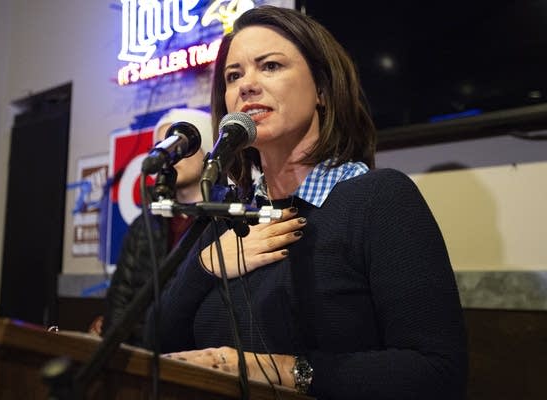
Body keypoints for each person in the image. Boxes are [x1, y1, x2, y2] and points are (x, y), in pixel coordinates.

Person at [140, 5, 469, 400]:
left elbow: (437, 372)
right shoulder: (223, 213)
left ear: (324, 91)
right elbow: (153, 346)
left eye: (271, 66)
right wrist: (205, 265)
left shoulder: (380, 199)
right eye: (233, 75)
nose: (246, 85)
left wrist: (275, 370)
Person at [98, 107, 304, 343]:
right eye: (163, 146)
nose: (171, 155)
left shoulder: (234, 217)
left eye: (180, 145)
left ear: (208, 150)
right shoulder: (144, 224)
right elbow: (120, 303)